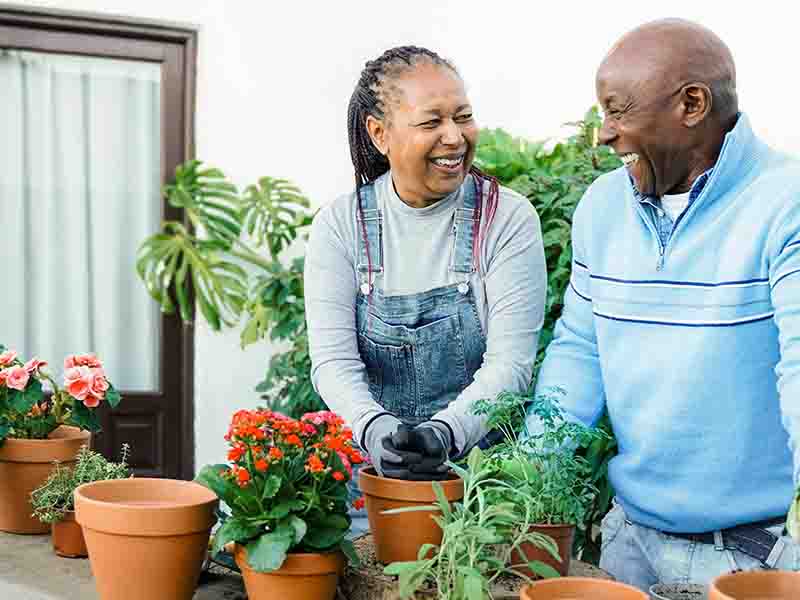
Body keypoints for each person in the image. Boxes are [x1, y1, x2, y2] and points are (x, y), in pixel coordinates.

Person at [528, 19, 800, 591]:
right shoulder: (602, 207)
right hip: (629, 542)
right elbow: (580, 351)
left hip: (752, 559)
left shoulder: (785, 203)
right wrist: (528, 479)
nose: (604, 133)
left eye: (617, 110)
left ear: (692, 104)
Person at [305, 46, 546, 488]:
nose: (454, 137)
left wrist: (446, 432)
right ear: (380, 134)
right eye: (432, 122)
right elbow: (333, 363)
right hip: (371, 479)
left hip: (478, 483)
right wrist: (374, 428)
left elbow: (511, 365)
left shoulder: (506, 219)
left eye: (463, 116)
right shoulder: (340, 226)